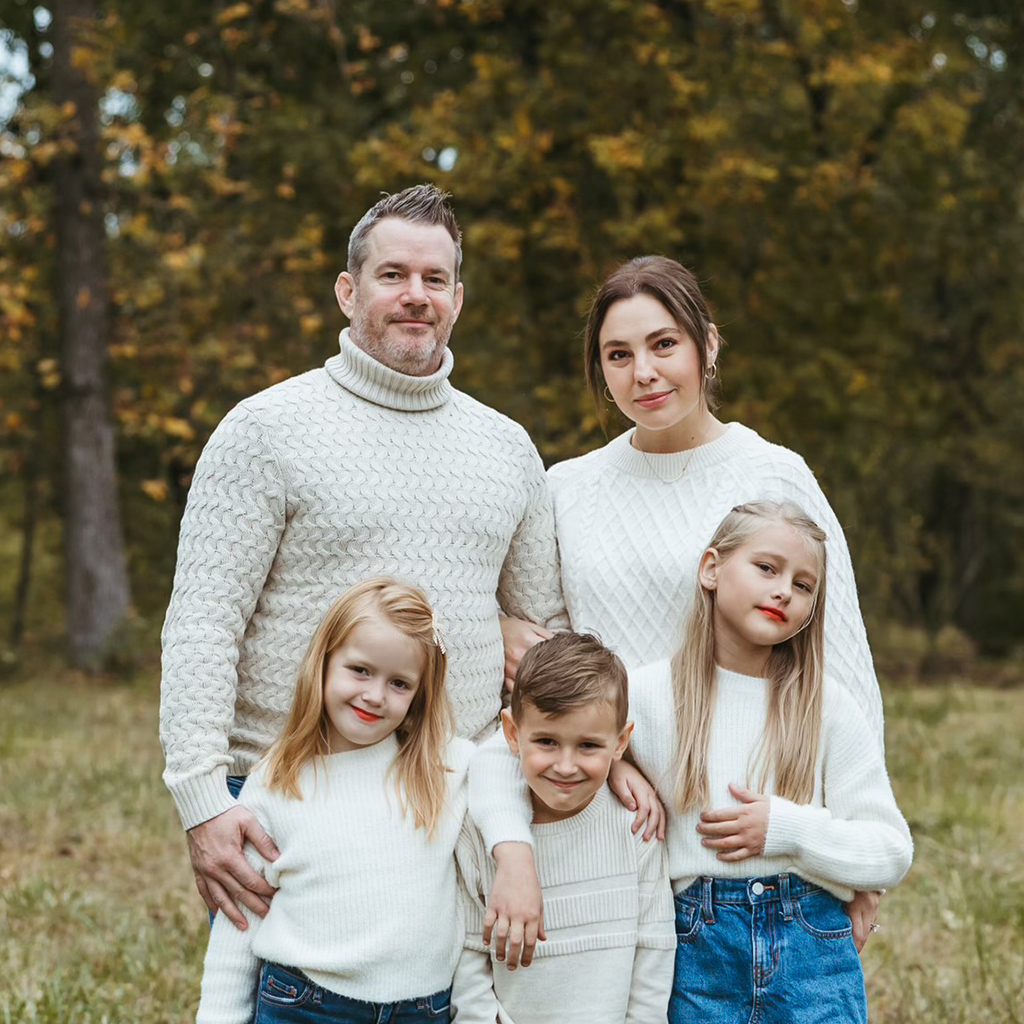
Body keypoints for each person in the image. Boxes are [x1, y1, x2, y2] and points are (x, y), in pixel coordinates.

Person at [160, 184, 565, 930]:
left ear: (457, 298)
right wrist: (203, 801)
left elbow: (544, 626)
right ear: (349, 291)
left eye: (434, 280)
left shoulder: (508, 449)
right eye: (392, 276)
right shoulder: (265, 430)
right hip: (286, 798)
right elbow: (203, 624)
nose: (416, 296)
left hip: (447, 804)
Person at [496, 254, 886, 954]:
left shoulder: (771, 472)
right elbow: (550, 650)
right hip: (608, 808)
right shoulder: (567, 489)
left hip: (747, 831)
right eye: (618, 354)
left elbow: (841, 658)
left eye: (663, 344)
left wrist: (853, 860)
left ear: (707, 345)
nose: (643, 372)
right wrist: (611, 756)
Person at [475, 502, 914, 1024]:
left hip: (810, 944)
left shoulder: (825, 706)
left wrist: (789, 831)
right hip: (697, 946)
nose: (783, 592)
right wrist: (614, 764)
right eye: (767, 568)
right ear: (711, 568)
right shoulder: (651, 694)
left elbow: (890, 850)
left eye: (804, 586)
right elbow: (500, 755)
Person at [196, 577, 473, 1024]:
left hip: (424, 1010)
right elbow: (238, 922)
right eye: (360, 670)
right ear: (323, 663)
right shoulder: (278, 778)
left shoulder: (443, 768)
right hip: (307, 1004)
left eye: (399, 683)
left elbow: (515, 763)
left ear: (420, 695)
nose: (374, 695)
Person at [452, 632, 674, 1024]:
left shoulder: (635, 829)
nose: (566, 766)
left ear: (621, 741)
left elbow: (653, 957)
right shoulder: (481, 832)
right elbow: (467, 957)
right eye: (547, 742)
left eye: (588, 745)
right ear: (512, 733)